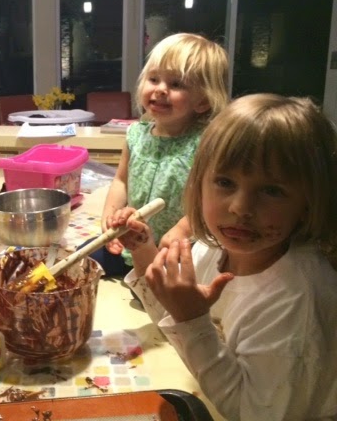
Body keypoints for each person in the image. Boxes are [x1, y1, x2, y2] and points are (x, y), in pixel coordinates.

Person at [114, 94, 337, 420]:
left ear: (310, 201)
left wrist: (193, 321)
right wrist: (143, 248)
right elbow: (172, 315)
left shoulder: (297, 299)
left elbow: (252, 413)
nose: (240, 208)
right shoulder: (215, 248)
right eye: (225, 182)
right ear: (199, 185)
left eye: (272, 190)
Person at [95, 32, 229, 276]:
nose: (161, 89)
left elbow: (211, 201)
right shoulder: (136, 134)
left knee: (155, 293)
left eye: (176, 84)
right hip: (130, 241)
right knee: (82, 262)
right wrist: (110, 215)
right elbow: (121, 181)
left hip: (175, 250)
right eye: (154, 79)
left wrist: (183, 229)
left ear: (202, 101)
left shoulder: (205, 143)